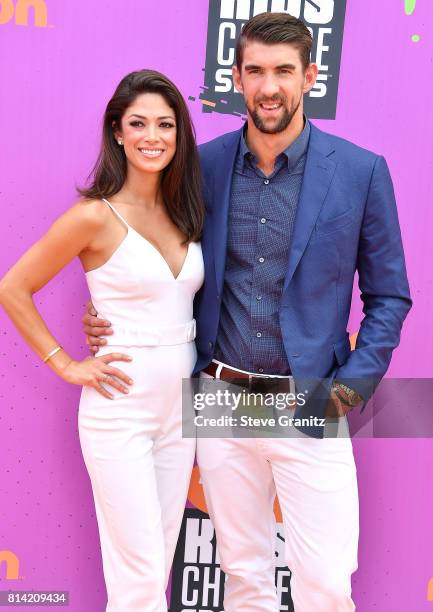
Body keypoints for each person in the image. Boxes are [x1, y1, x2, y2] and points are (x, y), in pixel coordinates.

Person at [84, 12, 412, 612]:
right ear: (236, 77)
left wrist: (351, 389)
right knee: (244, 578)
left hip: (309, 398)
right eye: (255, 70)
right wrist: (108, 308)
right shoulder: (199, 167)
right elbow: (153, 252)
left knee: (327, 581)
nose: (269, 86)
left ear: (310, 76)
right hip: (220, 396)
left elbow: (390, 296)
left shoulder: (362, 171)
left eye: (284, 71)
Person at [0, 69, 204, 611]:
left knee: (156, 565)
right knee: (138, 574)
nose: (152, 136)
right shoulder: (94, 216)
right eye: (138, 123)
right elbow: (14, 288)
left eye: (165, 124)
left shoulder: (187, 212)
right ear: (117, 131)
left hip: (182, 407)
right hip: (120, 408)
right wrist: (65, 363)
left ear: (179, 134)